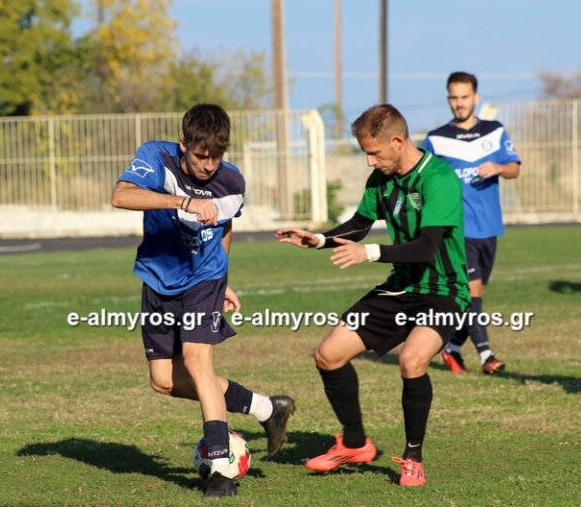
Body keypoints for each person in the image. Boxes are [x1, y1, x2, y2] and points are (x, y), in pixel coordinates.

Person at [276, 104, 469, 486]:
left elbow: (427, 246)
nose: (369, 161)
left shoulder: (439, 178)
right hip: (400, 287)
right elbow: (360, 225)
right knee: (328, 355)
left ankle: (412, 458)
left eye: (374, 151)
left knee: (412, 361)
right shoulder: (381, 179)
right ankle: (354, 443)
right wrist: (318, 239)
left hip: (443, 291)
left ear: (397, 141)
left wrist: (371, 253)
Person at [111, 103, 295, 497]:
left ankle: (220, 469)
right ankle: (266, 408)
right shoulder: (156, 158)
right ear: (183, 146)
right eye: (200, 156)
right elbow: (121, 195)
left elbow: (225, 227)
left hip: (204, 280)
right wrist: (182, 201)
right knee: (163, 381)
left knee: (197, 361)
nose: (209, 165)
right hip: (159, 281)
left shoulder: (232, 182)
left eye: (216, 156)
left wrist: (222, 277)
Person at [421, 71, 521, 375]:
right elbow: (421, 179)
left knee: (473, 297)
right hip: (456, 231)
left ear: (475, 98)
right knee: (472, 291)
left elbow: (515, 168)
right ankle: (487, 355)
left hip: (489, 226)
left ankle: (451, 348)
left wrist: (499, 168)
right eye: (453, 97)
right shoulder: (436, 140)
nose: (459, 103)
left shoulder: (495, 131)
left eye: (464, 97)